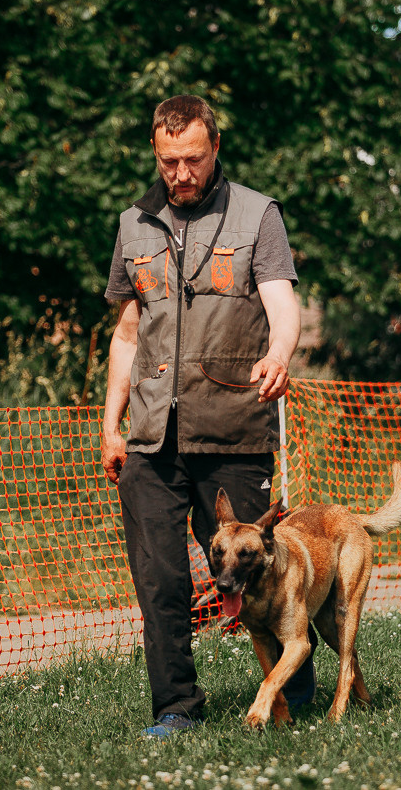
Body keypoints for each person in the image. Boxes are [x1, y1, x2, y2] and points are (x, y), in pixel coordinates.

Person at [101, 94, 313, 738]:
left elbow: (281, 301)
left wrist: (280, 351)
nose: (180, 174)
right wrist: (110, 424)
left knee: (257, 574)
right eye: (169, 162)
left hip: (232, 429)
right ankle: (176, 709)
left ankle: (292, 688)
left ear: (214, 148)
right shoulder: (133, 223)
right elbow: (128, 333)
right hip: (151, 437)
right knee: (160, 581)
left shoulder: (257, 214)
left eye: (192, 160)